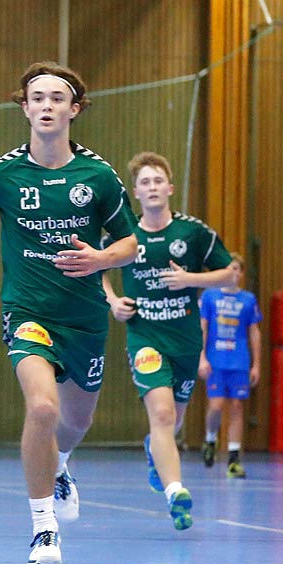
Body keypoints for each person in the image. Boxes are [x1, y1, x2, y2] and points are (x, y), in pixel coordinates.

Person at [0, 63, 138, 564]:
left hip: (85, 317)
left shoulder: (98, 176)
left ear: (74, 109)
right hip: (27, 311)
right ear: (24, 107)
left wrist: (100, 258)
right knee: (43, 409)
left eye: (56, 98)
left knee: (74, 421)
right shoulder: (3, 173)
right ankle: (43, 525)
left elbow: (132, 243)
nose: (46, 105)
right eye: (37, 98)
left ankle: (63, 464)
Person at [101, 152, 234, 532]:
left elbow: (228, 273)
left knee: (172, 420)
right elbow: (98, 269)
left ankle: (154, 452)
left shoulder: (192, 232)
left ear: (170, 188)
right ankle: (176, 492)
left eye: (158, 181)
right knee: (160, 415)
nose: (153, 187)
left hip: (186, 339)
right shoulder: (126, 236)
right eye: (145, 182)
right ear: (136, 193)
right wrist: (113, 302)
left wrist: (191, 281)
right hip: (145, 336)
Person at [198, 256, 261, 477]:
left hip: (240, 361)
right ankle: (210, 439)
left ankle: (234, 458)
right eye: (228, 268)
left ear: (241, 273)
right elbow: (202, 327)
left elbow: (254, 332)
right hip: (216, 360)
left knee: (236, 406)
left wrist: (256, 364)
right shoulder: (209, 296)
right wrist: (202, 357)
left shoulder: (248, 299)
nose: (232, 272)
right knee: (216, 405)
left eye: (236, 269)